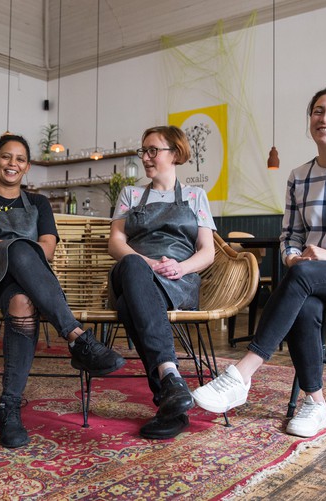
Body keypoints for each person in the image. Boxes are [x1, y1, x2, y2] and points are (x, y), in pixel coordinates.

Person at [192, 86, 326, 437]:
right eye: (318, 111)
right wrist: (292, 255)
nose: (325, 118)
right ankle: (316, 404)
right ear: (310, 121)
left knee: (305, 278)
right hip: (314, 276)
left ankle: (241, 375)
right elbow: (290, 235)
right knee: (305, 301)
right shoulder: (299, 176)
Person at [0, 133, 125, 448]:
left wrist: (6, 245)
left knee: (21, 296)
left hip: (20, 284)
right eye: (6, 157)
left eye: (19, 159)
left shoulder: (38, 203)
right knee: (19, 250)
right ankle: (77, 338)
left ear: (27, 166)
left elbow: (46, 249)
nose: (12, 164)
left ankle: (8, 408)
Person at [107, 125, 216, 439]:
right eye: (144, 150)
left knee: (132, 304)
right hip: (133, 271)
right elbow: (116, 243)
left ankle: (170, 396)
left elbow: (206, 252)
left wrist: (180, 268)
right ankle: (171, 376)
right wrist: (150, 263)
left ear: (176, 154)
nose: (145, 157)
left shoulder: (195, 196)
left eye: (153, 150)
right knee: (130, 265)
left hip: (176, 282)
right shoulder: (130, 194)